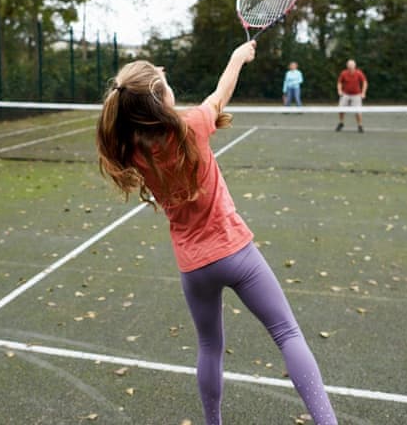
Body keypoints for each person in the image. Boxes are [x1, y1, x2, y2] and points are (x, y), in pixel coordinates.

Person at [96, 41, 337, 425]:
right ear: (160, 98)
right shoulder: (192, 125)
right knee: (288, 334)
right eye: (162, 80)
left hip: (194, 268)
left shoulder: (133, 150)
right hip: (237, 254)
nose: (166, 78)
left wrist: (154, 85)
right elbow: (221, 92)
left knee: (209, 347)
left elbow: (152, 110)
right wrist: (238, 57)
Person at [335, 59, 368, 133]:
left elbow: (365, 82)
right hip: (345, 94)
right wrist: (339, 91)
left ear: (354, 66)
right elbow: (339, 83)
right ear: (347, 66)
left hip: (356, 95)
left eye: (352, 65)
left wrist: (363, 93)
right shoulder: (343, 73)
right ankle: (341, 123)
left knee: (358, 111)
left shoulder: (359, 73)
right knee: (340, 109)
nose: (350, 67)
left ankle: (360, 125)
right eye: (349, 65)